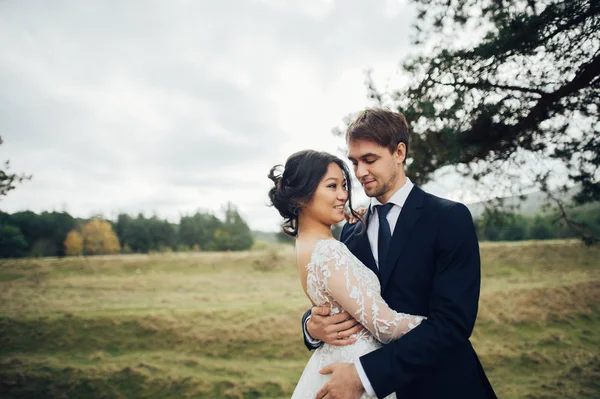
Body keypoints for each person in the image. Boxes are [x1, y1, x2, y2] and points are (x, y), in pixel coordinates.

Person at [301, 108, 497, 399]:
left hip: (443, 385)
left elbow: (453, 324)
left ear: (399, 152)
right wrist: (311, 326)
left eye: (369, 160)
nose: (359, 173)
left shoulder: (449, 218)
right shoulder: (351, 231)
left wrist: (365, 375)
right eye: (354, 162)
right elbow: (350, 298)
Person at [268, 149, 426, 399]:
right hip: (356, 373)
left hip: (348, 363)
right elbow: (384, 325)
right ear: (300, 198)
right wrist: (440, 327)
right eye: (332, 186)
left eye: (344, 185)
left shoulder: (311, 243)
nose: (344, 195)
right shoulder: (329, 250)